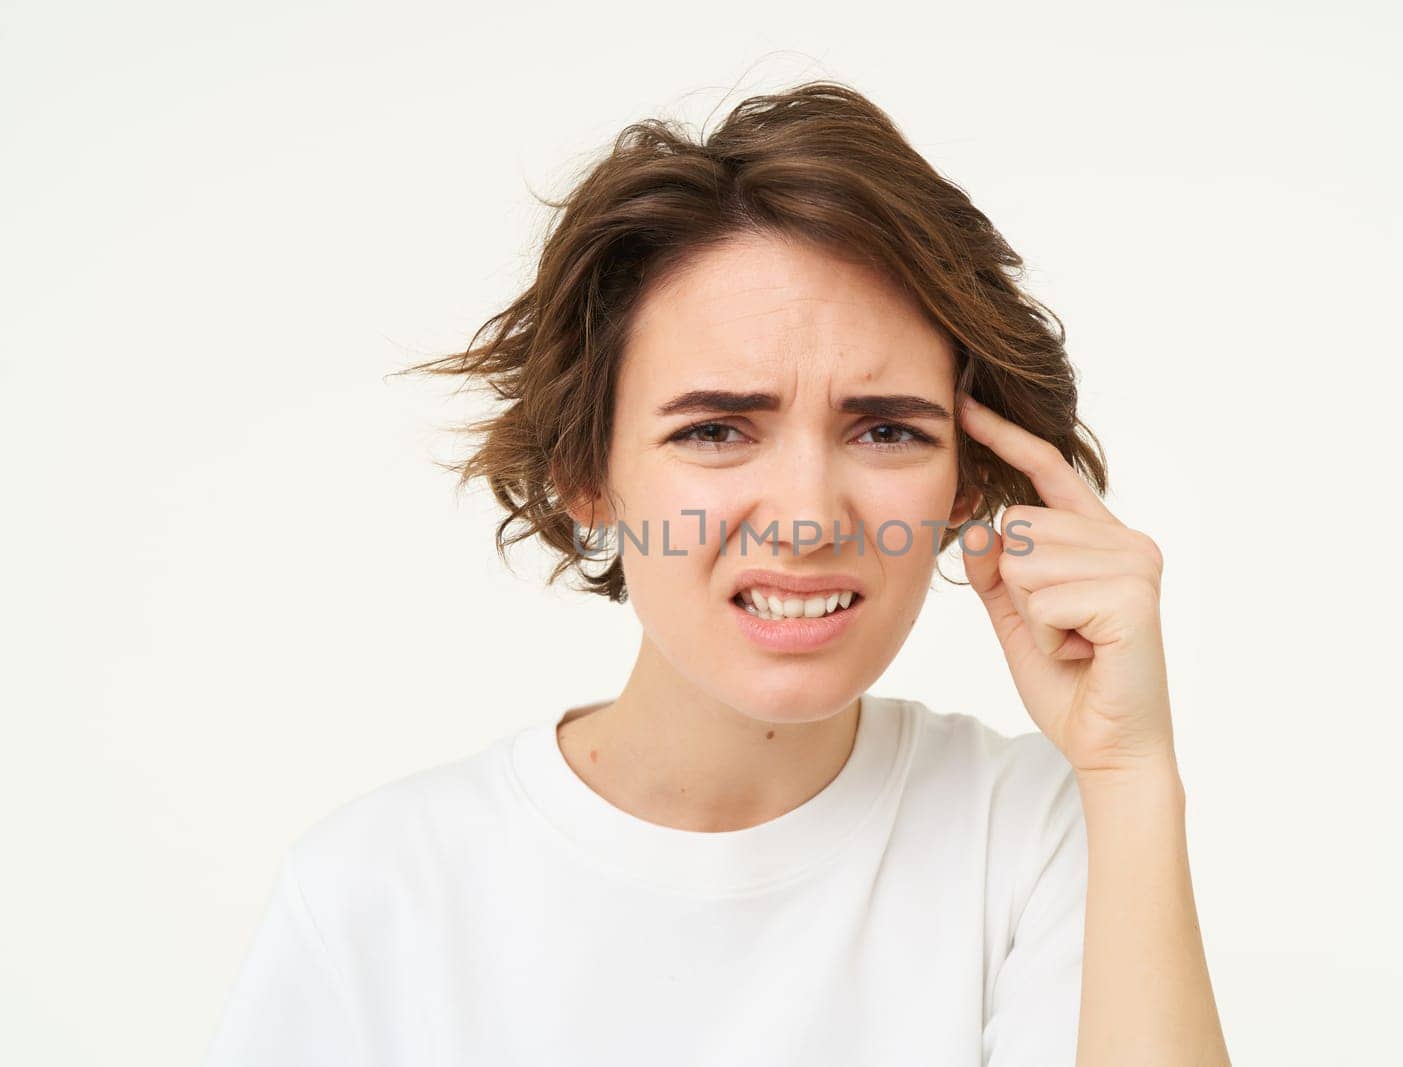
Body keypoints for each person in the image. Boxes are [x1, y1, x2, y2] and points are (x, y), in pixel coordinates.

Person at [201, 80, 1230, 1066]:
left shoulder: (1033, 831)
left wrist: (1130, 774)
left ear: (967, 482)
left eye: (883, 429)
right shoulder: (379, 891)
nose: (805, 518)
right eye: (716, 428)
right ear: (583, 472)